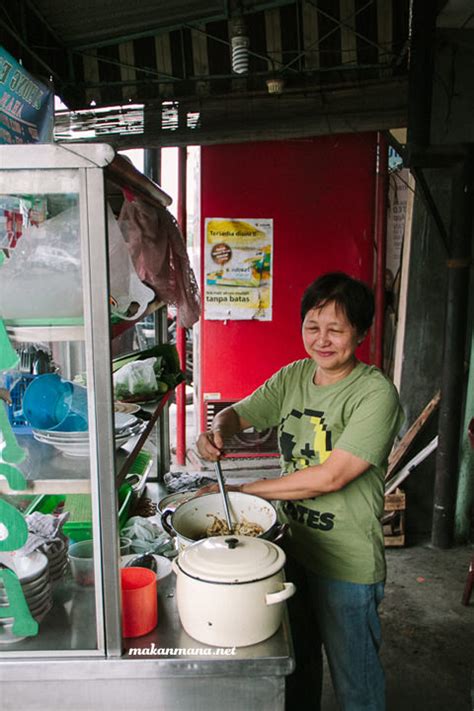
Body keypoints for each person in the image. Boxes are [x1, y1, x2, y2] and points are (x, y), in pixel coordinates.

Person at [196, 271, 404, 711]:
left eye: (336, 328)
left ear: (361, 334)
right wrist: (217, 430)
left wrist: (247, 491)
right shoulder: (294, 376)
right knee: (298, 663)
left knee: (356, 681)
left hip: (346, 564)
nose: (322, 339)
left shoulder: (374, 393)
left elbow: (332, 475)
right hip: (291, 551)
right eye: (313, 326)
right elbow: (240, 412)